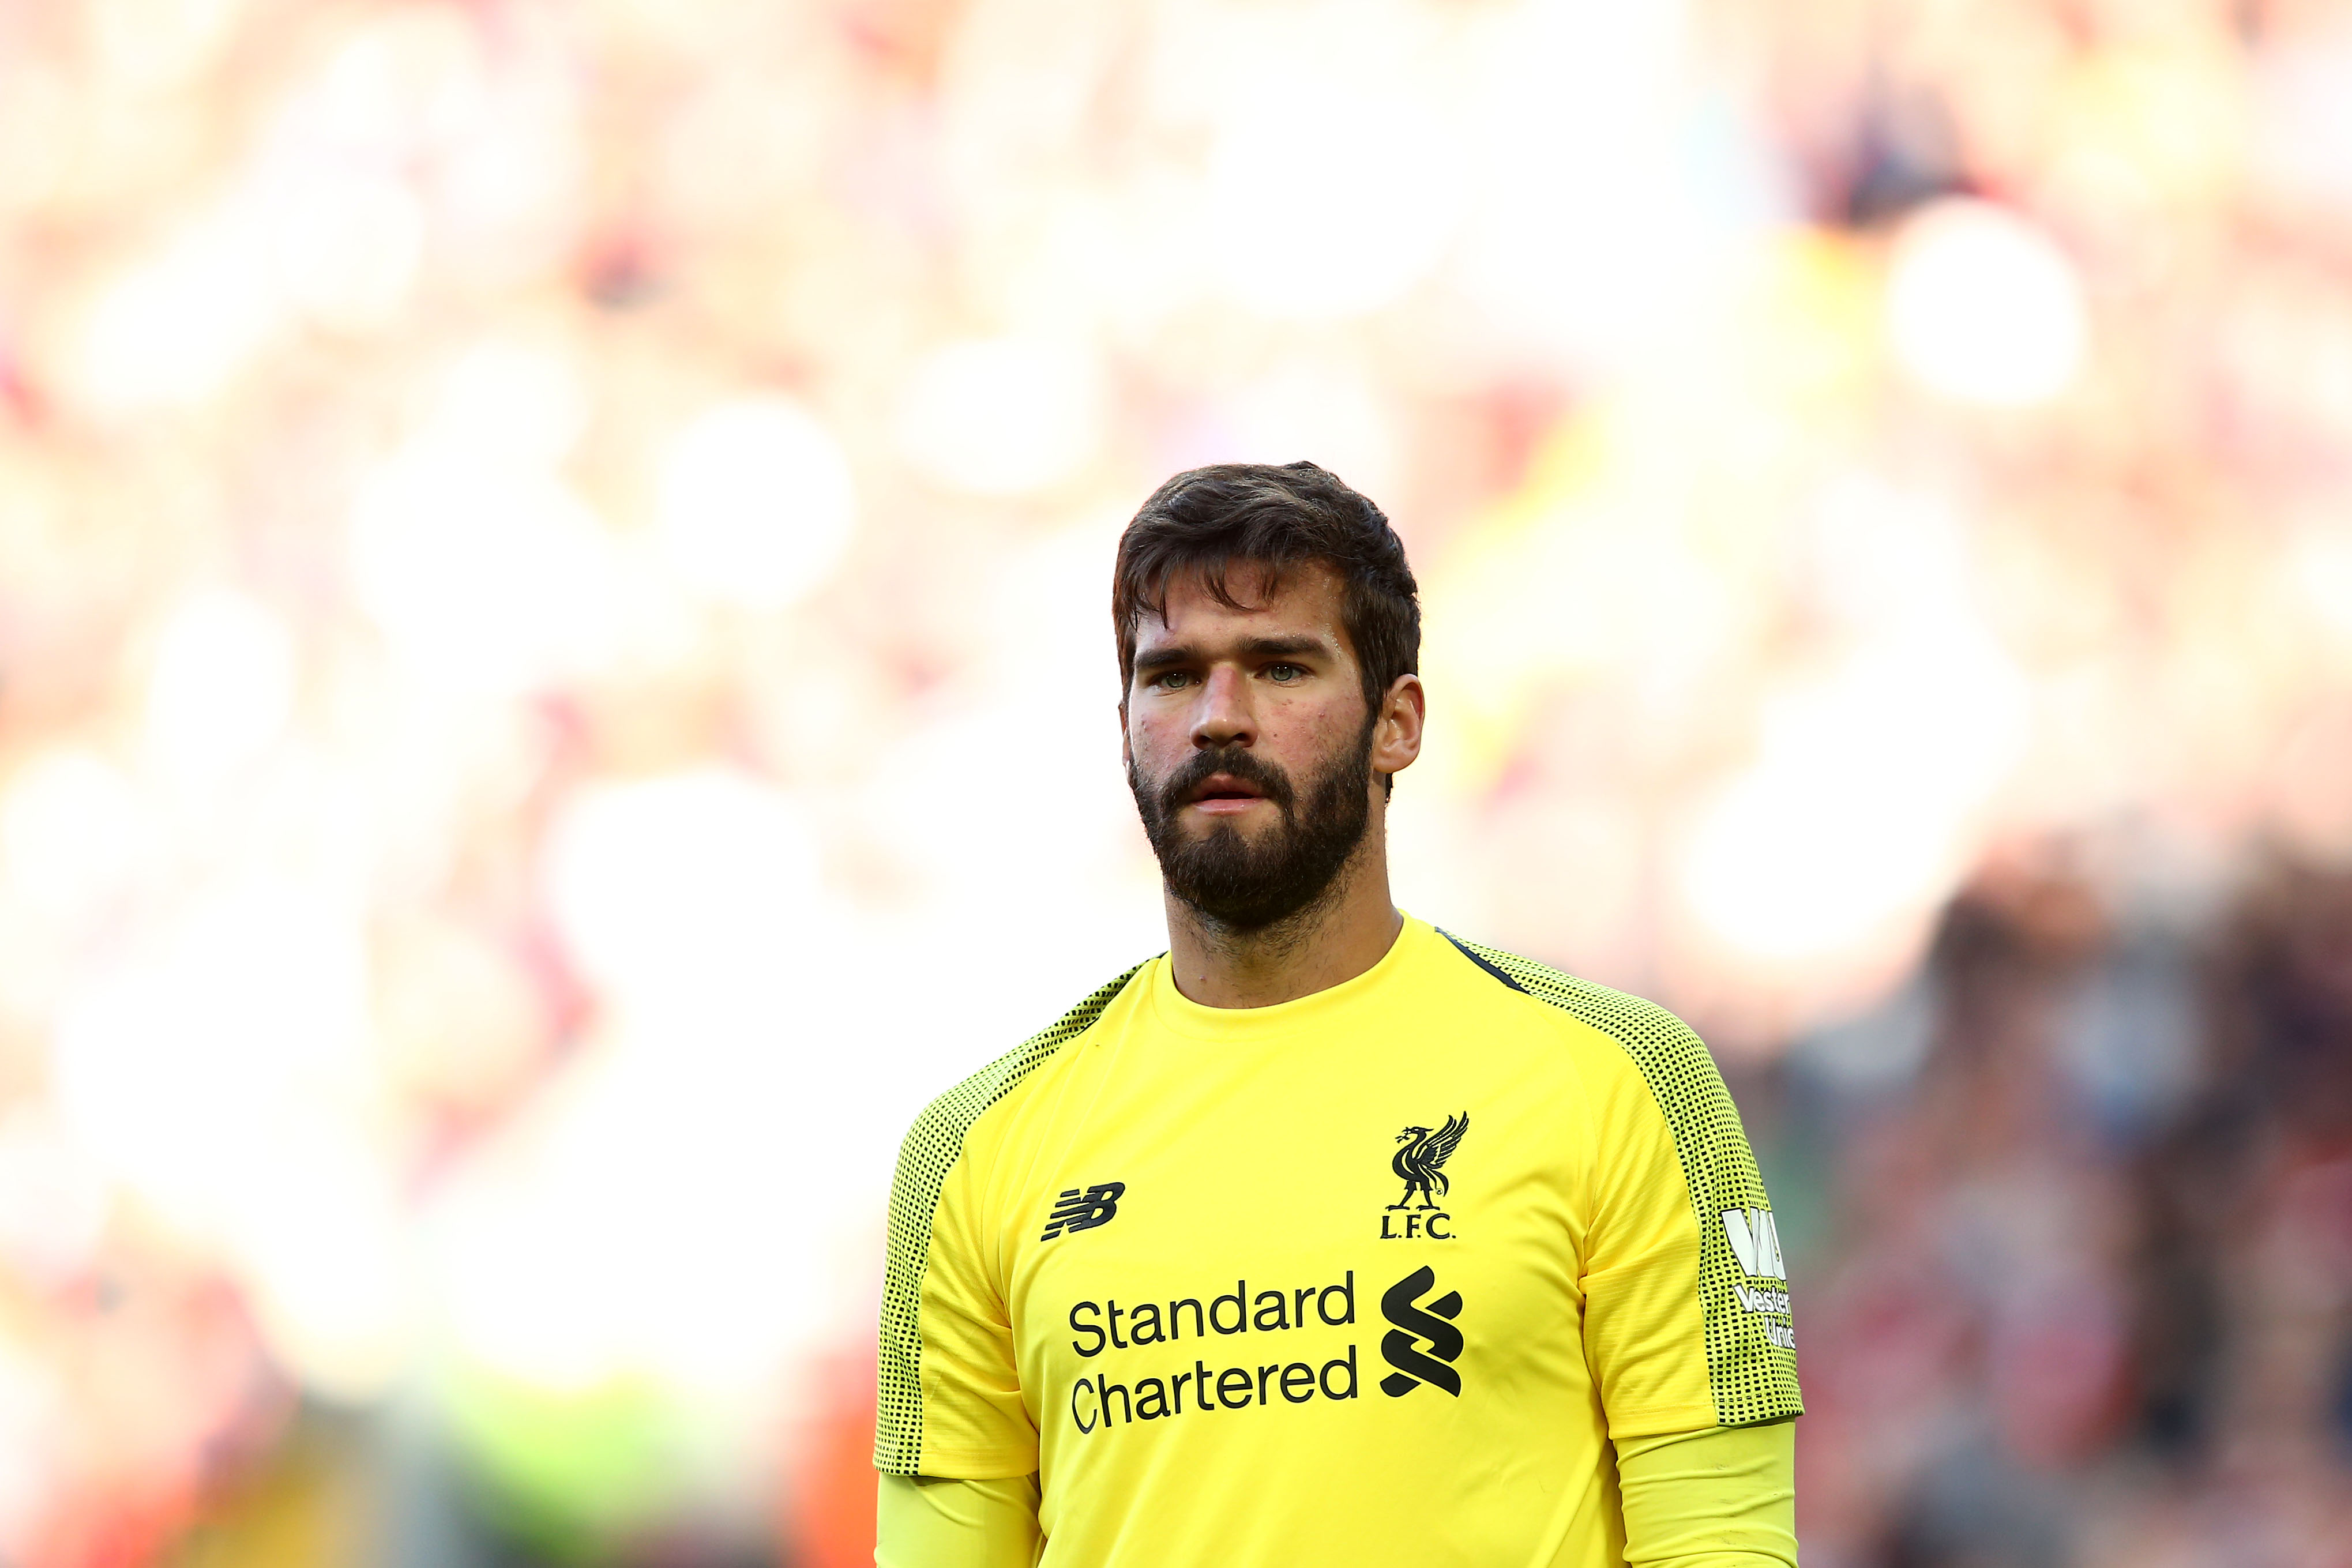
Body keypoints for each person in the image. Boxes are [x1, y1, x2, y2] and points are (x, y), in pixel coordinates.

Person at [872, 462, 1801, 1567]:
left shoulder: (1620, 1081)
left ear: (1396, 724)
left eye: (1279, 667)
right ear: (1123, 726)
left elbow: (1722, 1547)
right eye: (1170, 676)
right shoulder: (972, 1151)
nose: (1221, 718)